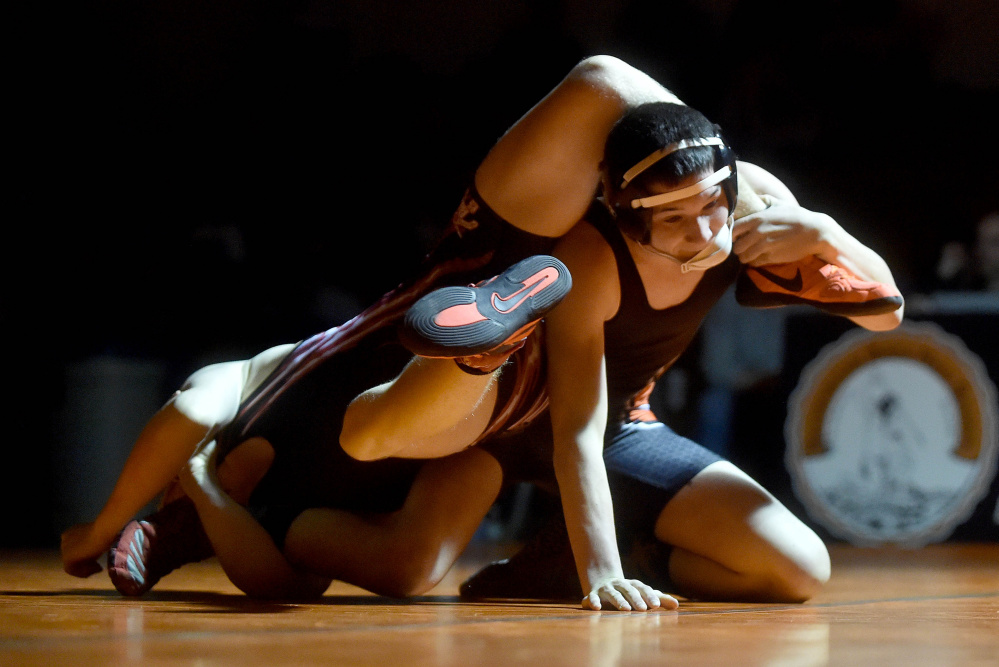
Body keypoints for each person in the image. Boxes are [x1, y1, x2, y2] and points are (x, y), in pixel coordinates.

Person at [61, 56, 902, 610]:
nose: (703, 233)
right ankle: (486, 347)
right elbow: (571, 430)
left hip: (607, 415)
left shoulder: (747, 209)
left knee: (797, 567)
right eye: (673, 219)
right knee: (391, 490)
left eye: (710, 206)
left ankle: (559, 551)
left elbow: (884, 307)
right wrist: (603, 576)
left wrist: (822, 229)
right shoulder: (591, 256)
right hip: (517, 396)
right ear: (620, 208)